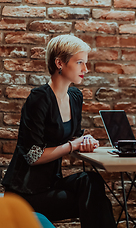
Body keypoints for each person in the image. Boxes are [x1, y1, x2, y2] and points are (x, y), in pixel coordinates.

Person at [1, 35, 116, 228]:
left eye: (85, 63)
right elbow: (33, 156)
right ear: (59, 63)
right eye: (79, 62)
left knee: (91, 181)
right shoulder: (39, 99)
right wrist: (73, 145)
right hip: (26, 193)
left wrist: (85, 141)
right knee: (93, 202)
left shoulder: (75, 97)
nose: (85, 69)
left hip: (51, 183)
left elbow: (74, 136)